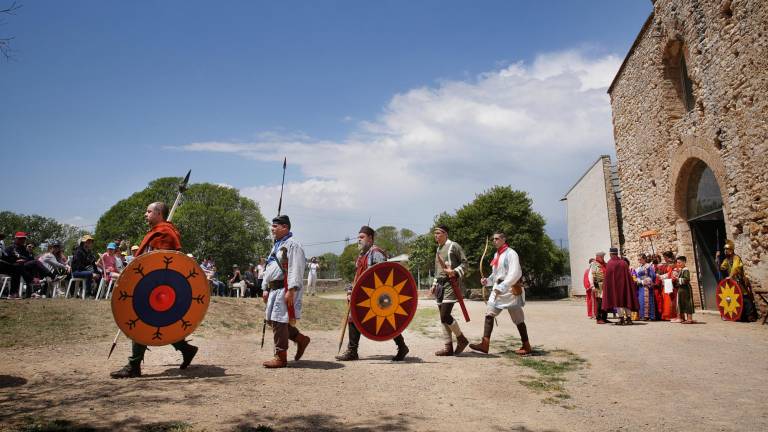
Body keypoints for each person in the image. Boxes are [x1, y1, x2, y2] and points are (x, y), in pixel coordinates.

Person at [110, 201, 199, 379]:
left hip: (157, 285)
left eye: (149, 211)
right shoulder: (158, 232)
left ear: (159, 214)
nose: (146, 214)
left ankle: (134, 366)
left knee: (143, 321)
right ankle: (186, 349)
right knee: (154, 322)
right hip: (151, 285)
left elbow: (161, 262)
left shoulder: (165, 232)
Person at [336, 226, 409, 362]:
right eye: (358, 237)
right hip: (363, 295)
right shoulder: (362, 255)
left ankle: (402, 346)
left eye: (362, 237)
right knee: (354, 317)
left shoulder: (376, 253)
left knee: (386, 320)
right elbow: (358, 276)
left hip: (375, 296)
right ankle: (352, 350)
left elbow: (382, 275)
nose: (359, 240)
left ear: (370, 238)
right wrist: (350, 291)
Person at [469, 231, 531, 355]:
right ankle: (484, 344)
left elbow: (514, 273)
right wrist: (487, 281)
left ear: (504, 239)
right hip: (498, 289)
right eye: (493, 239)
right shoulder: (497, 254)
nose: (494, 241)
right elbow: (496, 274)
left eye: (497, 239)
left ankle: (526, 345)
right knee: (489, 313)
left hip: (510, 290)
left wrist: (502, 286)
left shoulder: (511, 253)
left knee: (518, 319)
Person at [261, 215, 311, 368]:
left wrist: (291, 289)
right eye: (272, 226)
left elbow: (296, 268)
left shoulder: (293, 245)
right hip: (274, 288)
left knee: (279, 321)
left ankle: (281, 356)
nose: (272, 229)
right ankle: (300, 339)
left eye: (275, 226)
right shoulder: (277, 245)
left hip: (285, 288)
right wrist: (265, 287)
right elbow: (269, 268)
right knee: (272, 320)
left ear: (285, 227)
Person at [430, 224, 469, 356]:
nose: (436, 236)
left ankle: (461, 339)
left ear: (445, 234)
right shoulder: (438, 249)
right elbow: (438, 271)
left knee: (445, 315)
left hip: (451, 284)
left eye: (438, 233)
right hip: (440, 285)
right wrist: (434, 284)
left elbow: (465, 263)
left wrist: (454, 271)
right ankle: (448, 347)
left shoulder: (454, 246)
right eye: (435, 233)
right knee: (443, 318)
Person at [716, 240, 757, 322]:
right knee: (735, 298)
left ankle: (750, 315)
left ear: (731, 250)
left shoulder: (736, 258)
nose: (725, 251)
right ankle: (740, 315)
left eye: (727, 249)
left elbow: (735, 268)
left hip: (739, 280)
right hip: (732, 282)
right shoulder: (727, 260)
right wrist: (717, 258)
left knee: (745, 297)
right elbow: (722, 267)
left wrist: (730, 276)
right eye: (724, 250)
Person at [601, 247, 638, 325]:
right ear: (617, 253)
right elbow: (628, 276)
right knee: (626, 301)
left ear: (610, 254)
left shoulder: (610, 263)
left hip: (615, 288)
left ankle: (621, 319)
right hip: (625, 286)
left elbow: (607, 278)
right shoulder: (623, 263)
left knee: (618, 303)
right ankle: (629, 319)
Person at [657, 251, 679, 321]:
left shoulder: (674, 265)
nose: (665, 259)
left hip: (671, 284)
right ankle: (667, 315)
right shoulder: (668, 265)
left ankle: (671, 315)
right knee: (666, 300)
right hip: (667, 283)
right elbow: (668, 274)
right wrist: (661, 276)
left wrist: (662, 277)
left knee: (671, 300)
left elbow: (671, 275)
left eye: (665, 257)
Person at [675, 256, 696, 324]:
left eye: (679, 262)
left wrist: (678, 279)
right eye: (677, 263)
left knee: (687, 303)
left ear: (684, 262)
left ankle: (689, 319)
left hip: (686, 289)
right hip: (682, 289)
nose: (678, 264)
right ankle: (683, 318)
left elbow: (687, 279)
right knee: (682, 303)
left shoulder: (685, 270)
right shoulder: (682, 270)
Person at [635, 254, 656, 320]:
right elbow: (638, 276)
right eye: (638, 259)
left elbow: (652, 275)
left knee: (648, 300)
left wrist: (647, 280)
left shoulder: (649, 266)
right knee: (641, 301)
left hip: (647, 286)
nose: (639, 261)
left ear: (644, 259)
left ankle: (650, 316)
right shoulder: (640, 267)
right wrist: (638, 280)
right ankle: (643, 316)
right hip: (641, 286)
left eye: (640, 259)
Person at [590, 252, 609, 324]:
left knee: (605, 302)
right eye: (601, 257)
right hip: (598, 285)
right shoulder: (594, 264)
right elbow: (591, 276)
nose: (603, 258)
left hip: (605, 286)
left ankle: (604, 318)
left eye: (603, 257)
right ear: (597, 257)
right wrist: (593, 286)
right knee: (599, 302)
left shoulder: (605, 264)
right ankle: (598, 318)